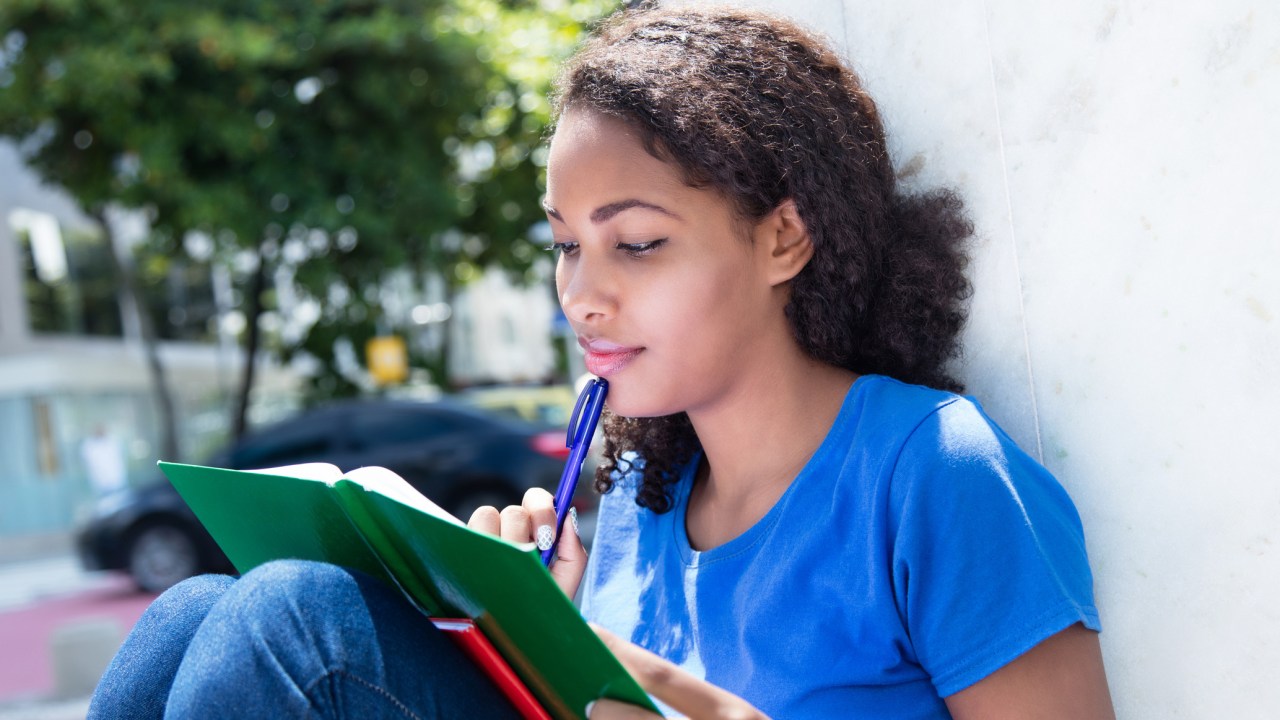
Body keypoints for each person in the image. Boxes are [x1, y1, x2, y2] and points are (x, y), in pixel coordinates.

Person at [88, 6, 1114, 719]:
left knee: (292, 623)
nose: (580, 293)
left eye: (635, 242)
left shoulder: (930, 471)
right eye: (564, 243)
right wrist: (528, 621)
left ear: (782, 239)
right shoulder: (640, 496)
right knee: (191, 613)